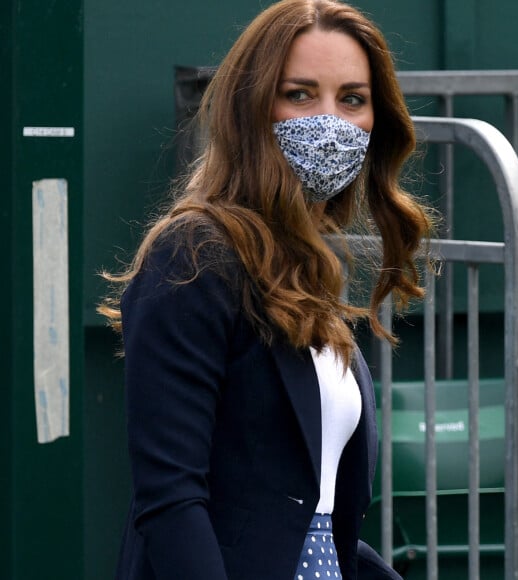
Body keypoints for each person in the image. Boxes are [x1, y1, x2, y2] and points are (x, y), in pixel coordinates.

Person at [100, 0, 432, 578]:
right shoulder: (194, 255)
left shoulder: (308, 262)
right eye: (300, 94)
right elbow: (172, 501)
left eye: (352, 98)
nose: (329, 120)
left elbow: (310, 517)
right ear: (251, 109)